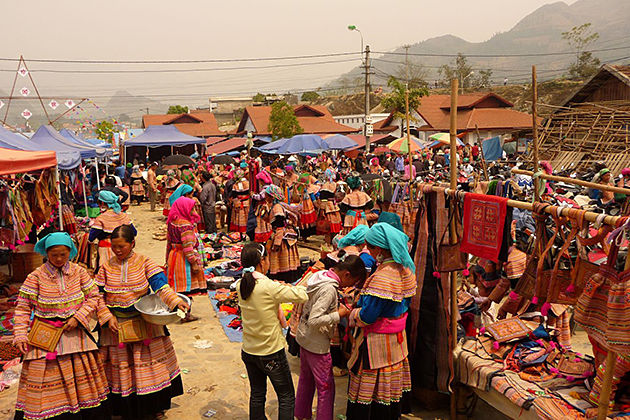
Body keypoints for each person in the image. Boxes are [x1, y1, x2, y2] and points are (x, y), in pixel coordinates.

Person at [13, 232, 110, 420]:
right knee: (43, 380)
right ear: (46, 253)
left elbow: (94, 296)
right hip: (45, 335)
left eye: (63, 254)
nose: (58, 259)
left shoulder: (79, 272)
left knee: (83, 380)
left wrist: (79, 317)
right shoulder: (35, 277)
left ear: (71, 253)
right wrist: (20, 335)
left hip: (74, 332)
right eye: (54, 254)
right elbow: (23, 307)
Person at [96, 225, 189, 419]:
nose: (117, 251)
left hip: (143, 323)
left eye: (122, 246)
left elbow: (161, 286)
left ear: (132, 244)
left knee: (148, 368)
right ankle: (123, 409)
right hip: (115, 327)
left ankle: (153, 407)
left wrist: (176, 302)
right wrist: (106, 316)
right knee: (121, 369)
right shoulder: (105, 267)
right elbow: (96, 295)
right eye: (114, 247)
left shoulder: (145, 262)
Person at [346, 223, 416, 420]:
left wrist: (353, 314)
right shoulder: (405, 269)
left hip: (376, 341)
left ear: (379, 249)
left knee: (371, 386)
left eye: (371, 247)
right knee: (389, 383)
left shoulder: (383, 278)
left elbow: (369, 316)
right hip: (396, 339)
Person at [237, 242, 309, 420]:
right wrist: (308, 279)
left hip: (249, 351)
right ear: (262, 261)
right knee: (286, 397)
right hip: (270, 353)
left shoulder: (241, 284)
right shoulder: (268, 287)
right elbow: (302, 295)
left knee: (257, 394)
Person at [294, 255, 367, 420]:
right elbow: (315, 320)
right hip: (316, 344)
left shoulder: (320, 276)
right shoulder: (328, 289)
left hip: (304, 337)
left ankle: (301, 414)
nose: (350, 286)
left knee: (306, 379)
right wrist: (338, 314)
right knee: (326, 387)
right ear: (347, 275)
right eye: (353, 282)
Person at [166, 197, 205, 306]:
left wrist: (167, 258)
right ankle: (186, 313)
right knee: (187, 287)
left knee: (178, 287)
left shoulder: (172, 221)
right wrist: (194, 263)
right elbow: (188, 247)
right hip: (184, 260)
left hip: (173, 255)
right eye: (191, 209)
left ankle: (179, 311)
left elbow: (168, 243)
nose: (193, 212)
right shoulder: (185, 225)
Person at [89, 190, 135, 268]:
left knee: (107, 271)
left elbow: (91, 237)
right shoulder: (124, 216)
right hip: (124, 248)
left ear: (102, 203)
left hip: (106, 249)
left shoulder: (101, 218)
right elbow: (134, 232)